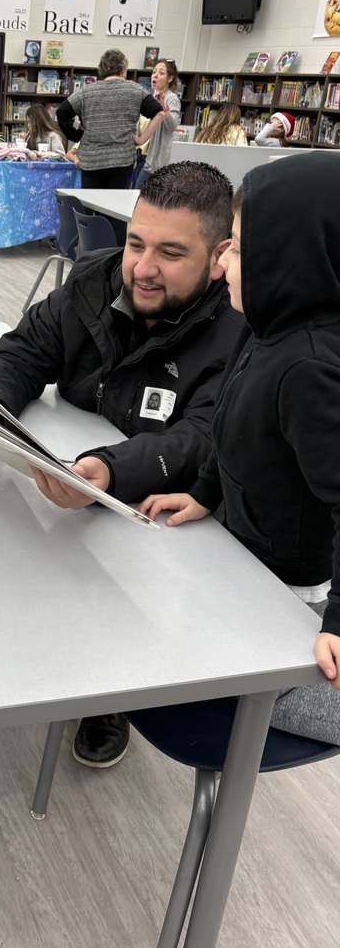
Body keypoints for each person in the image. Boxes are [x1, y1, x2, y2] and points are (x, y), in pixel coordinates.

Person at [0, 161, 243, 767]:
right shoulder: (96, 277)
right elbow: (29, 349)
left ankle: (106, 692)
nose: (141, 267)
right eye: (136, 242)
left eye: (170, 253)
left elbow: (203, 438)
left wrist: (111, 470)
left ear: (219, 256)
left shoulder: (238, 333)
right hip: (71, 481)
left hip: (159, 528)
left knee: (106, 600)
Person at [141, 152, 340, 746]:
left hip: (290, 593)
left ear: (294, 262)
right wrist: (204, 492)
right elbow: (230, 425)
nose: (222, 261)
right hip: (244, 553)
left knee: (237, 694)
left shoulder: (312, 368)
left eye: (240, 250)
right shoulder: (262, 324)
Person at [56, 48, 166, 190]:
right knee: (115, 208)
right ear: (123, 69)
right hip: (122, 161)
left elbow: (62, 113)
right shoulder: (135, 90)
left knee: (90, 207)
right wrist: (141, 140)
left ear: (101, 69)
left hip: (92, 161)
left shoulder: (87, 91)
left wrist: (77, 135)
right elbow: (159, 113)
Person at [134, 59, 182, 189]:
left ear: (170, 78)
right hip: (139, 156)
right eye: (154, 72)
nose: (155, 75)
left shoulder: (171, 98)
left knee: (138, 197)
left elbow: (172, 125)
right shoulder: (148, 97)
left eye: (161, 73)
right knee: (133, 196)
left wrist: (163, 107)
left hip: (154, 160)